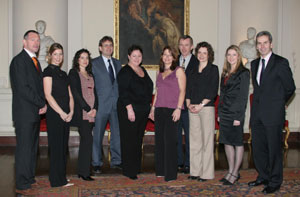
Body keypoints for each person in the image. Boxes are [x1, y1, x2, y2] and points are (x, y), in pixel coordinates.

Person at [248, 31, 295, 194]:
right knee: (258, 147)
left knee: (274, 149)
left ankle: (275, 181)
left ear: (271, 44)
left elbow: (290, 88)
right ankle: (263, 176)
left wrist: (279, 103)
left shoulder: (281, 62)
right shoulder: (254, 64)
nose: (262, 46)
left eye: (265, 43)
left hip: (273, 114)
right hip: (257, 114)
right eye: (259, 43)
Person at [10, 30, 47, 191]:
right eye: (33, 40)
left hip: (34, 113)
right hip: (24, 113)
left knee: (32, 148)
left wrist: (42, 104)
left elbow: (38, 87)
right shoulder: (19, 61)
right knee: (24, 148)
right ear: (24, 42)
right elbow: (23, 89)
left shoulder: (35, 61)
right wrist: (41, 103)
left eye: (38, 40)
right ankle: (22, 181)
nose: (36, 43)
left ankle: (29, 177)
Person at [149, 46, 186, 182]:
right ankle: (160, 170)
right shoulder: (159, 73)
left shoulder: (179, 71)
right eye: (165, 55)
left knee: (170, 142)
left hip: (172, 110)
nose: (167, 57)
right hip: (159, 110)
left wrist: (178, 108)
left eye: (170, 55)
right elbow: (157, 92)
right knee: (159, 141)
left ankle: (170, 174)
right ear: (162, 57)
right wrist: (153, 108)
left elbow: (182, 91)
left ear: (174, 57)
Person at [117, 45, 153, 180]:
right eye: (134, 56)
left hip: (142, 111)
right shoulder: (125, 71)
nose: (137, 58)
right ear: (128, 57)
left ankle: (136, 167)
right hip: (129, 110)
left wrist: (149, 107)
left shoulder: (142, 69)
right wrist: (129, 109)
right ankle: (129, 170)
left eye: (139, 56)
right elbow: (123, 92)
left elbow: (149, 88)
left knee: (138, 140)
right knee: (129, 140)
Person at [186, 42, 219, 182]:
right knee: (194, 141)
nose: (201, 55)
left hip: (206, 108)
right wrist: (188, 103)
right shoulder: (193, 70)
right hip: (192, 108)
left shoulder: (213, 69)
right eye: (199, 52)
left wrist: (200, 105)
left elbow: (212, 91)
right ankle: (195, 171)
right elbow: (188, 88)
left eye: (204, 53)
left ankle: (206, 173)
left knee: (206, 142)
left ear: (209, 55)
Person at [218, 45, 250, 185]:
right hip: (224, 112)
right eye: (228, 55)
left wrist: (238, 117)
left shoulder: (244, 72)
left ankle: (235, 173)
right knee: (227, 142)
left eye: (234, 55)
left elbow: (243, 96)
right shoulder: (225, 72)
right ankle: (231, 170)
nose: (231, 57)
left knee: (237, 142)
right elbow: (222, 94)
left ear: (238, 56)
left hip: (235, 113)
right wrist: (219, 113)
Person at [43, 43, 74, 187]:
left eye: (60, 54)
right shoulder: (47, 72)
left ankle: (61, 177)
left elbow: (70, 96)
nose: (58, 57)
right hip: (55, 114)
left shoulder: (64, 73)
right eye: (55, 54)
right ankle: (55, 181)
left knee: (63, 148)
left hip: (66, 114)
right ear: (50, 56)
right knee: (56, 148)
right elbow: (48, 96)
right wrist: (62, 113)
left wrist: (71, 111)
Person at [92, 36, 122, 173]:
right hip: (101, 105)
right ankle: (96, 162)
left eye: (111, 45)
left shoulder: (117, 63)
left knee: (117, 134)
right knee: (97, 135)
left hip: (116, 105)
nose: (109, 48)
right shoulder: (93, 64)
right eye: (106, 45)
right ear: (100, 48)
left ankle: (116, 160)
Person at [69, 49, 98, 181]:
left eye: (87, 58)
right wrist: (87, 108)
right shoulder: (73, 73)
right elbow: (76, 93)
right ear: (77, 59)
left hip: (92, 113)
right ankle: (85, 172)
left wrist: (95, 108)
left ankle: (82, 171)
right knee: (88, 140)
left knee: (86, 141)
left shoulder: (91, 74)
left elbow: (95, 93)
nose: (85, 60)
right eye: (82, 57)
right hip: (82, 113)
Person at [177, 35, 199, 174]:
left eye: (186, 45)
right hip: (176, 106)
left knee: (192, 136)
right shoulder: (174, 62)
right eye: (181, 45)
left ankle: (189, 163)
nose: (183, 48)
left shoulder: (197, 62)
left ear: (192, 47)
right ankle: (178, 161)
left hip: (190, 105)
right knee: (176, 136)